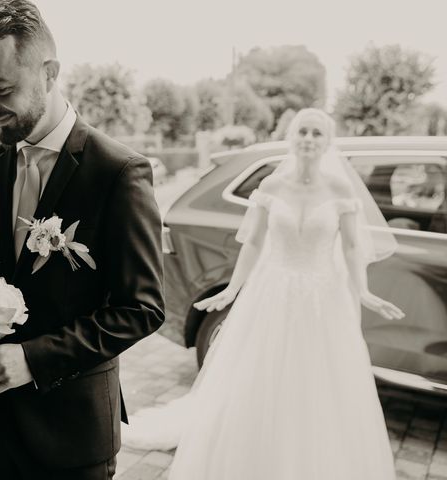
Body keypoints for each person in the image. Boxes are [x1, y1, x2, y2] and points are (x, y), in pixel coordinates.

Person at [123, 108, 404, 479]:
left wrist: (363, 291)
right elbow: (253, 243)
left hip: (324, 298)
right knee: (261, 373)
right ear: (292, 136)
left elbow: (352, 247)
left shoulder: (340, 189)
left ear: (327, 142)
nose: (308, 138)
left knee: (321, 381)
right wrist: (233, 289)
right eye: (302, 131)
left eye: (317, 133)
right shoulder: (272, 187)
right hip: (274, 292)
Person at [0, 1, 165, 478]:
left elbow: (142, 308)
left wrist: (32, 358)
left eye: (1, 89)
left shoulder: (118, 172)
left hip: (73, 431)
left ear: (49, 72)